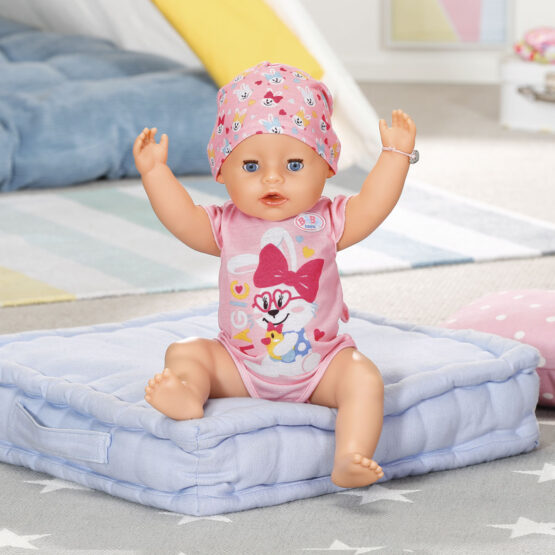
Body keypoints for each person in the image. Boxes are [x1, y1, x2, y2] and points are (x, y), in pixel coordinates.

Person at [133, 61, 417, 488]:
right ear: (221, 171)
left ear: (327, 166)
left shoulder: (329, 219)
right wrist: (156, 174)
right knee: (186, 351)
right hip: (239, 364)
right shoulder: (225, 224)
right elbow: (183, 218)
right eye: (250, 166)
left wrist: (396, 157)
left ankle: (350, 455)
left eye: (295, 165)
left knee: (363, 377)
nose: (272, 178)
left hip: (320, 367)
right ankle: (188, 392)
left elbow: (374, 204)